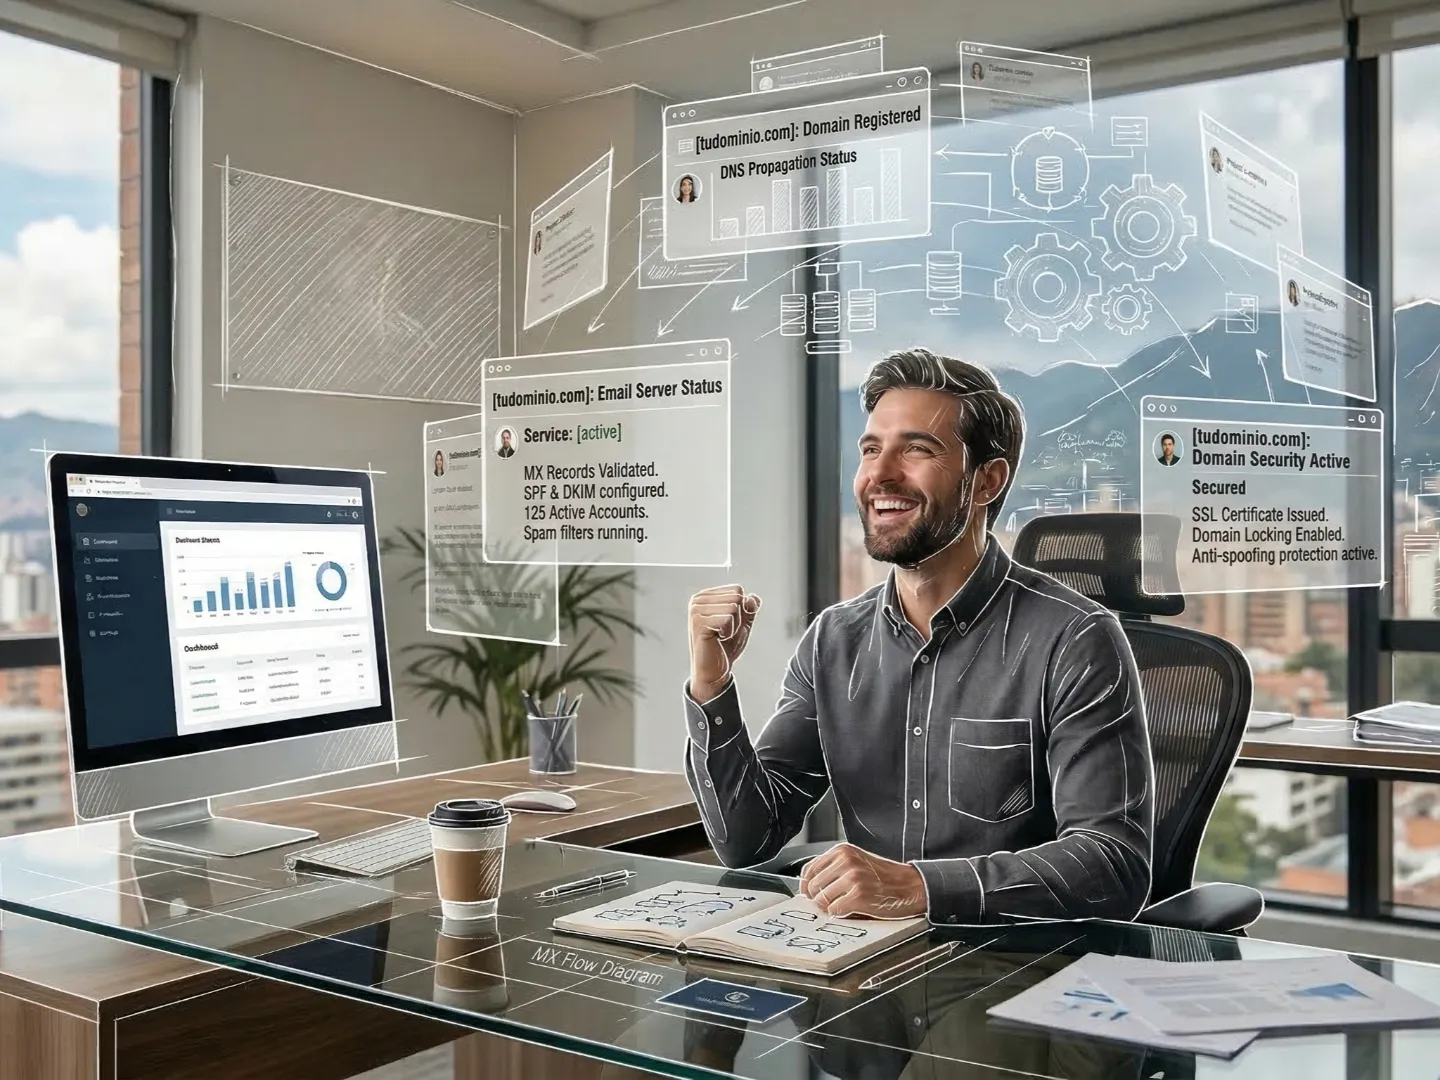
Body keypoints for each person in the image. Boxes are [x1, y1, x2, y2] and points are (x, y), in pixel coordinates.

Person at [683, 347, 1154, 927]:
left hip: (1012, 962)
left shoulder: (1074, 638)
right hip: (861, 958)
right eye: (870, 449)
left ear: (986, 481)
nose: (880, 474)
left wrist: (921, 887)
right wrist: (711, 685)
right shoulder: (834, 640)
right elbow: (747, 840)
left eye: (917, 449)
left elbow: (1113, 864)